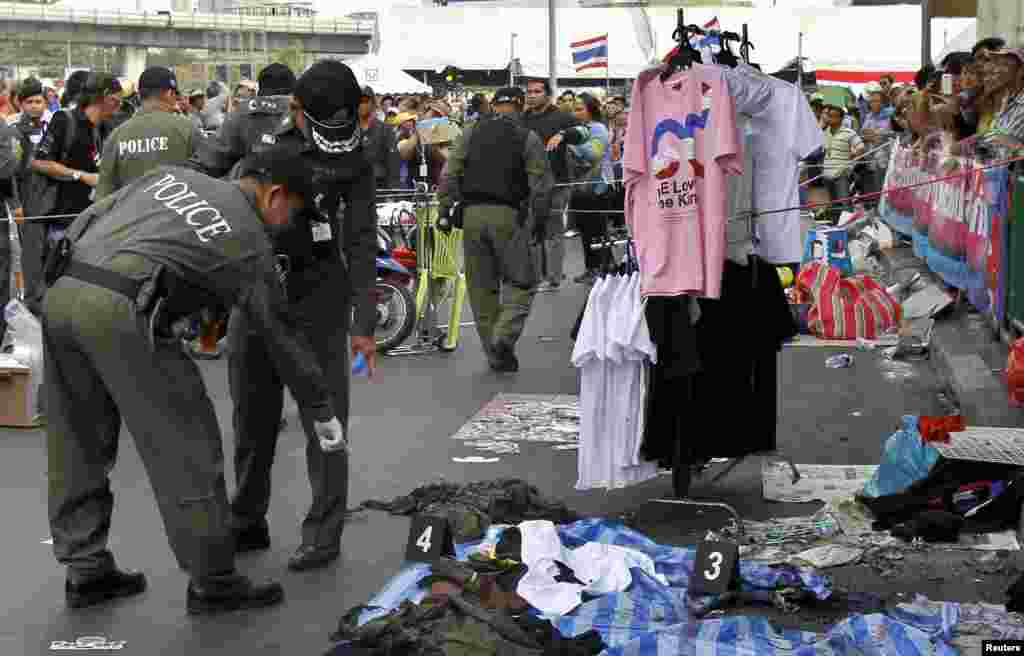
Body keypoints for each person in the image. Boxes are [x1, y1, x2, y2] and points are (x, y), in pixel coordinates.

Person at [44, 144, 347, 614]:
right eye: (294, 212)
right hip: (124, 308)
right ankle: (214, 579)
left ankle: (85, 568)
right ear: (275, 195)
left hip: (64, 289)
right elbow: (279, 331)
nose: (289, 225)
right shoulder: (248, 237)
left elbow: (94, 214)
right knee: (186, 443)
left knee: (77, 441)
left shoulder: (169, 177)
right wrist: (320, 407)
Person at [226, 60, 378, 572]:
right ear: (296, 108)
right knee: (252, 419)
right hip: (257, 294)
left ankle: (324, 532)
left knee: (326, 422)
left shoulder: (357, 156)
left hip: (320, 301)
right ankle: (247, 518)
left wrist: (364, 324)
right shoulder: (257, 134)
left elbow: (362, 240)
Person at [438, 86, 552, 373]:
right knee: (522, 281)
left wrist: (444, 210)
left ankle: (495, 354)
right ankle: (504, 337)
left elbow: (449, 173)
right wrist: (539, 222)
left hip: (472, 216)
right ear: (520, 105)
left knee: (481, 289)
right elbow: (540, 186)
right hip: (508, 216)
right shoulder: (527, 137)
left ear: (494, 105)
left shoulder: (470, 133)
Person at [26, 73, 121, 312]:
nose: (119, 106)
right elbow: (39, 162)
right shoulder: (65, 120)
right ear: (104, 97)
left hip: (96, 222)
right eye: (117, 100)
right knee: (57, 289)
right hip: (64, 221)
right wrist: (81, 175)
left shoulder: (107, 127)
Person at [522, 79, 589, 292]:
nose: (532, 95)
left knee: (553, 230)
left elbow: (585, 132)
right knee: (532, 230)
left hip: (558, 183)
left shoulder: (562, 117)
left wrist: (563, 134)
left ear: (548, 95)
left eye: (537, 91)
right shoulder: (522, 119)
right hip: (529, 185)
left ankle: (552, 278)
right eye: (529, 91)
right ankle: (536, 276)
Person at [96, 67, 202, 200]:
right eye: (176, 95)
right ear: (169, 94)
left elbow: (103, 196)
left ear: (139, 95)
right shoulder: (187, 129)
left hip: (131, 212)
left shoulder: (116, 136)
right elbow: (207, 179)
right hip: (180, 210)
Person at [189, 63, 297, 178]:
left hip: (251, 185)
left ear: (258, 92)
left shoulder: (240, 115)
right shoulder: (304, 111)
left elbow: (207, 161)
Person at [568, 92, 612, 285]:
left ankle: (604, 268)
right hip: (579, 187)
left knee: (597, 230)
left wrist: (572, 144)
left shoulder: (598, 129)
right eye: (574, 110)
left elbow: (594, 154)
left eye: (580, 109)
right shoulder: (578, 129)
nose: (575, 113)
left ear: (591, 110)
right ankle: (591, 268)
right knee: (585, 230)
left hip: (597, 187)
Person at [822, 104, 865, 210]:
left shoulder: (849, 133)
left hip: (841, 174)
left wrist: (851, 163)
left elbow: (861, 148)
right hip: (827, 174)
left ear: (841, 118)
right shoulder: (825, 132)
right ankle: (835, 220)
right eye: (830, 116)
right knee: (833, 205)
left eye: (834, 116)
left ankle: (847, 219)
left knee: (845, 204)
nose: (831, 118)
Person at [358, 85, 400, 192]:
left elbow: (393, 163)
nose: (361, 104)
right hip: (353, 185)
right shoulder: (348, 129)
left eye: (365, 100)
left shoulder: (385, 129)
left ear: (372, 103)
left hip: (379, 185)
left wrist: (392, 191)